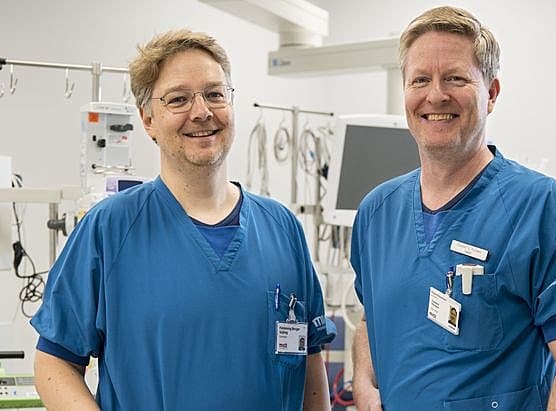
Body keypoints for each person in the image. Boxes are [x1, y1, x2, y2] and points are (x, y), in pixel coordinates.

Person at [30, 29, 335, 411]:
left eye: (214, 93)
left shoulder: (281, 227)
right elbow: (53, 362)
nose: (202, 111)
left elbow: (309, 365)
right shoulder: (110, 229)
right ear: (148, 120)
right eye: (178, 99)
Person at [351, 6, 556, 410]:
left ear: (491, 92)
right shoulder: (376, 212)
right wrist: (364, 384)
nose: (435, 95)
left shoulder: (541, 208)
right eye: (420, 79)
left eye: (455, 77)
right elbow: (371, 319)